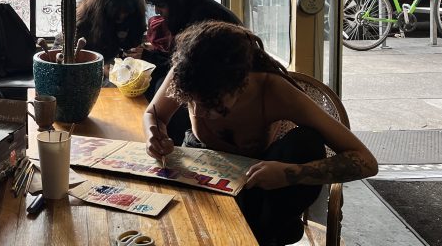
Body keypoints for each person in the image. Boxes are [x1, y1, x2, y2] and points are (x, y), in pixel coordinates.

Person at [144, 21, 378, 246]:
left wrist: (291, 174)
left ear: (241, 83)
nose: (200, 112)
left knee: (306, 143)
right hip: (203, 169)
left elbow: (366, 161)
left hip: (258, 185)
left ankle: (261, 235)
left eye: (212, 104)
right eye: (192, 102)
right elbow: (154, 114)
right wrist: (154, 135)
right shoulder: (190, 72)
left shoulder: (275, 91)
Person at [139, 0, 242, 101]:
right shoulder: (190, 7)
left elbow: (187, 65)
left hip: (231, 74)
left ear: (175, 1)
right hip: (220, 68)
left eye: (160, 5)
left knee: (162, 86)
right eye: (154, 5)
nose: (157, 11)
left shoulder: (200, 19)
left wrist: (149, 57)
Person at [75, 0, 146, 77]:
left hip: (124, 70)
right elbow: (71, 61)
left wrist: (138, 53)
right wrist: (100, 68)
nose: (121, 18)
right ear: (101, 11)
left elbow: (134, 42)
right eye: (116, 15)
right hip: (90, 70)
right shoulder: (83, 22)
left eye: (126, 13)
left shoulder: (136, 14)